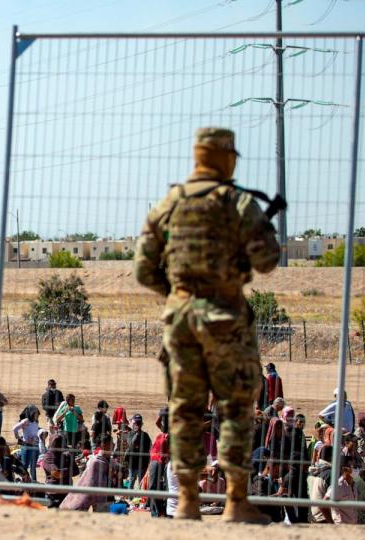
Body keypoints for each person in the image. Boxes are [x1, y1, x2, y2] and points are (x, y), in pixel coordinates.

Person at [134, 127, 280, 523]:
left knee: (185, 409)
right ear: (227, 158)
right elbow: (267, 259)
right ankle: (235, 501)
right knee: (234, 407)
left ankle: (185, 500)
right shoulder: (237, 202)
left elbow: (144, 268)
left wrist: (178, 295)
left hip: (180, 321)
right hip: (225, 318)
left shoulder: (170, 202)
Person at [60, 434, 117, 512]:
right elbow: (88, 481)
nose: (113, 445)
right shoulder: (95, 462)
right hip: (99, 495)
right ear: (103, 445)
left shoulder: (109, 460)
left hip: (109, 495)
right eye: (111, 443)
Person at [12, 407, 41, 482]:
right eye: (36, 414)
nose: (37, 416)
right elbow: (14, 428)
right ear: (32, 414)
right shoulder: (26, 421)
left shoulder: (36, 421)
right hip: (26, 446)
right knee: (24, 466)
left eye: (38, 414)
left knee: (33, 465)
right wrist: (17, 436)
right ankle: (23, 481)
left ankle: (33, 481)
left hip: (35, 446)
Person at [126, 413, 152, 489]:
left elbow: (150, 447)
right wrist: (137, 435)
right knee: (131, 481)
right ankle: (129, 498)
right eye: (136, 423)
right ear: (133, 424)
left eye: (139, 423)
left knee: (141, 483)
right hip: (132, 463)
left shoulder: (145, 435)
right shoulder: (130, 434)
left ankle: (140, 499)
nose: (138, 425)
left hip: (142, 464)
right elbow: (131, 444)